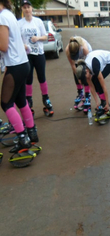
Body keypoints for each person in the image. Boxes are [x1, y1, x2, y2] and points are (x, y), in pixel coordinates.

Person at [0, 0, 39, 153]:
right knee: (21, 101)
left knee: (6, 104)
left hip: (15, 65)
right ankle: (31, 132)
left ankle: (23, 138)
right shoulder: (9, 15)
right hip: (22, 63)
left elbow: (3, 46)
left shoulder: (2, 17)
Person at [18, 0, 53, 117]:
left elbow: (45, 36)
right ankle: (29, 101)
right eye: (24, 8)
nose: (27, 9)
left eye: (28, 7)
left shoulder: (38, 22)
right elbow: (16, 40)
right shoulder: (19, 23)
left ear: (32, 9)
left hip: (39, 54)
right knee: (28, 79)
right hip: (27, 55)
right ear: (22, 10)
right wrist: (22, 45)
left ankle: (46, 99)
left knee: (42, 77)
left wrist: (38, 38)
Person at [75, 50, 110, 116]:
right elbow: (91, 86)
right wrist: (97, 102)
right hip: (96, 59)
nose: (86, 79)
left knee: (97, 82)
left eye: (85, 78)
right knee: (94, 81)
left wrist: (107, 103)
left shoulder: (94, 67)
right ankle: (102, 102)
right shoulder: (85, 70)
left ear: (86, 71)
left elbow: (104, 86)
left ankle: (105, 103)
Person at [65, 36, 92, 113]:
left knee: (84, 72)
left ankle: (87, 95)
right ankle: (80, 93)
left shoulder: (84, 48)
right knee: (78, 71)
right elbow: (73, 66)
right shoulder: (68, 50)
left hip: (86, 57)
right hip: (77, 57)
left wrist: (87, 75)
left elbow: (89, 65)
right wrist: (78, 78)